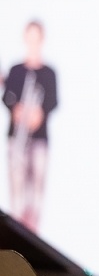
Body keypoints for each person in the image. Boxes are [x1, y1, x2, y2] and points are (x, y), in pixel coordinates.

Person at [4, 21, 58, 232]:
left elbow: (53, 101)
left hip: (39, 142)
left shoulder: (49, 73)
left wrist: (39, 113)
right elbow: (7, 97)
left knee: (36, 196)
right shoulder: (16, 70)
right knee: (17, 198)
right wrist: (16, 110)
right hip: (16, 141)